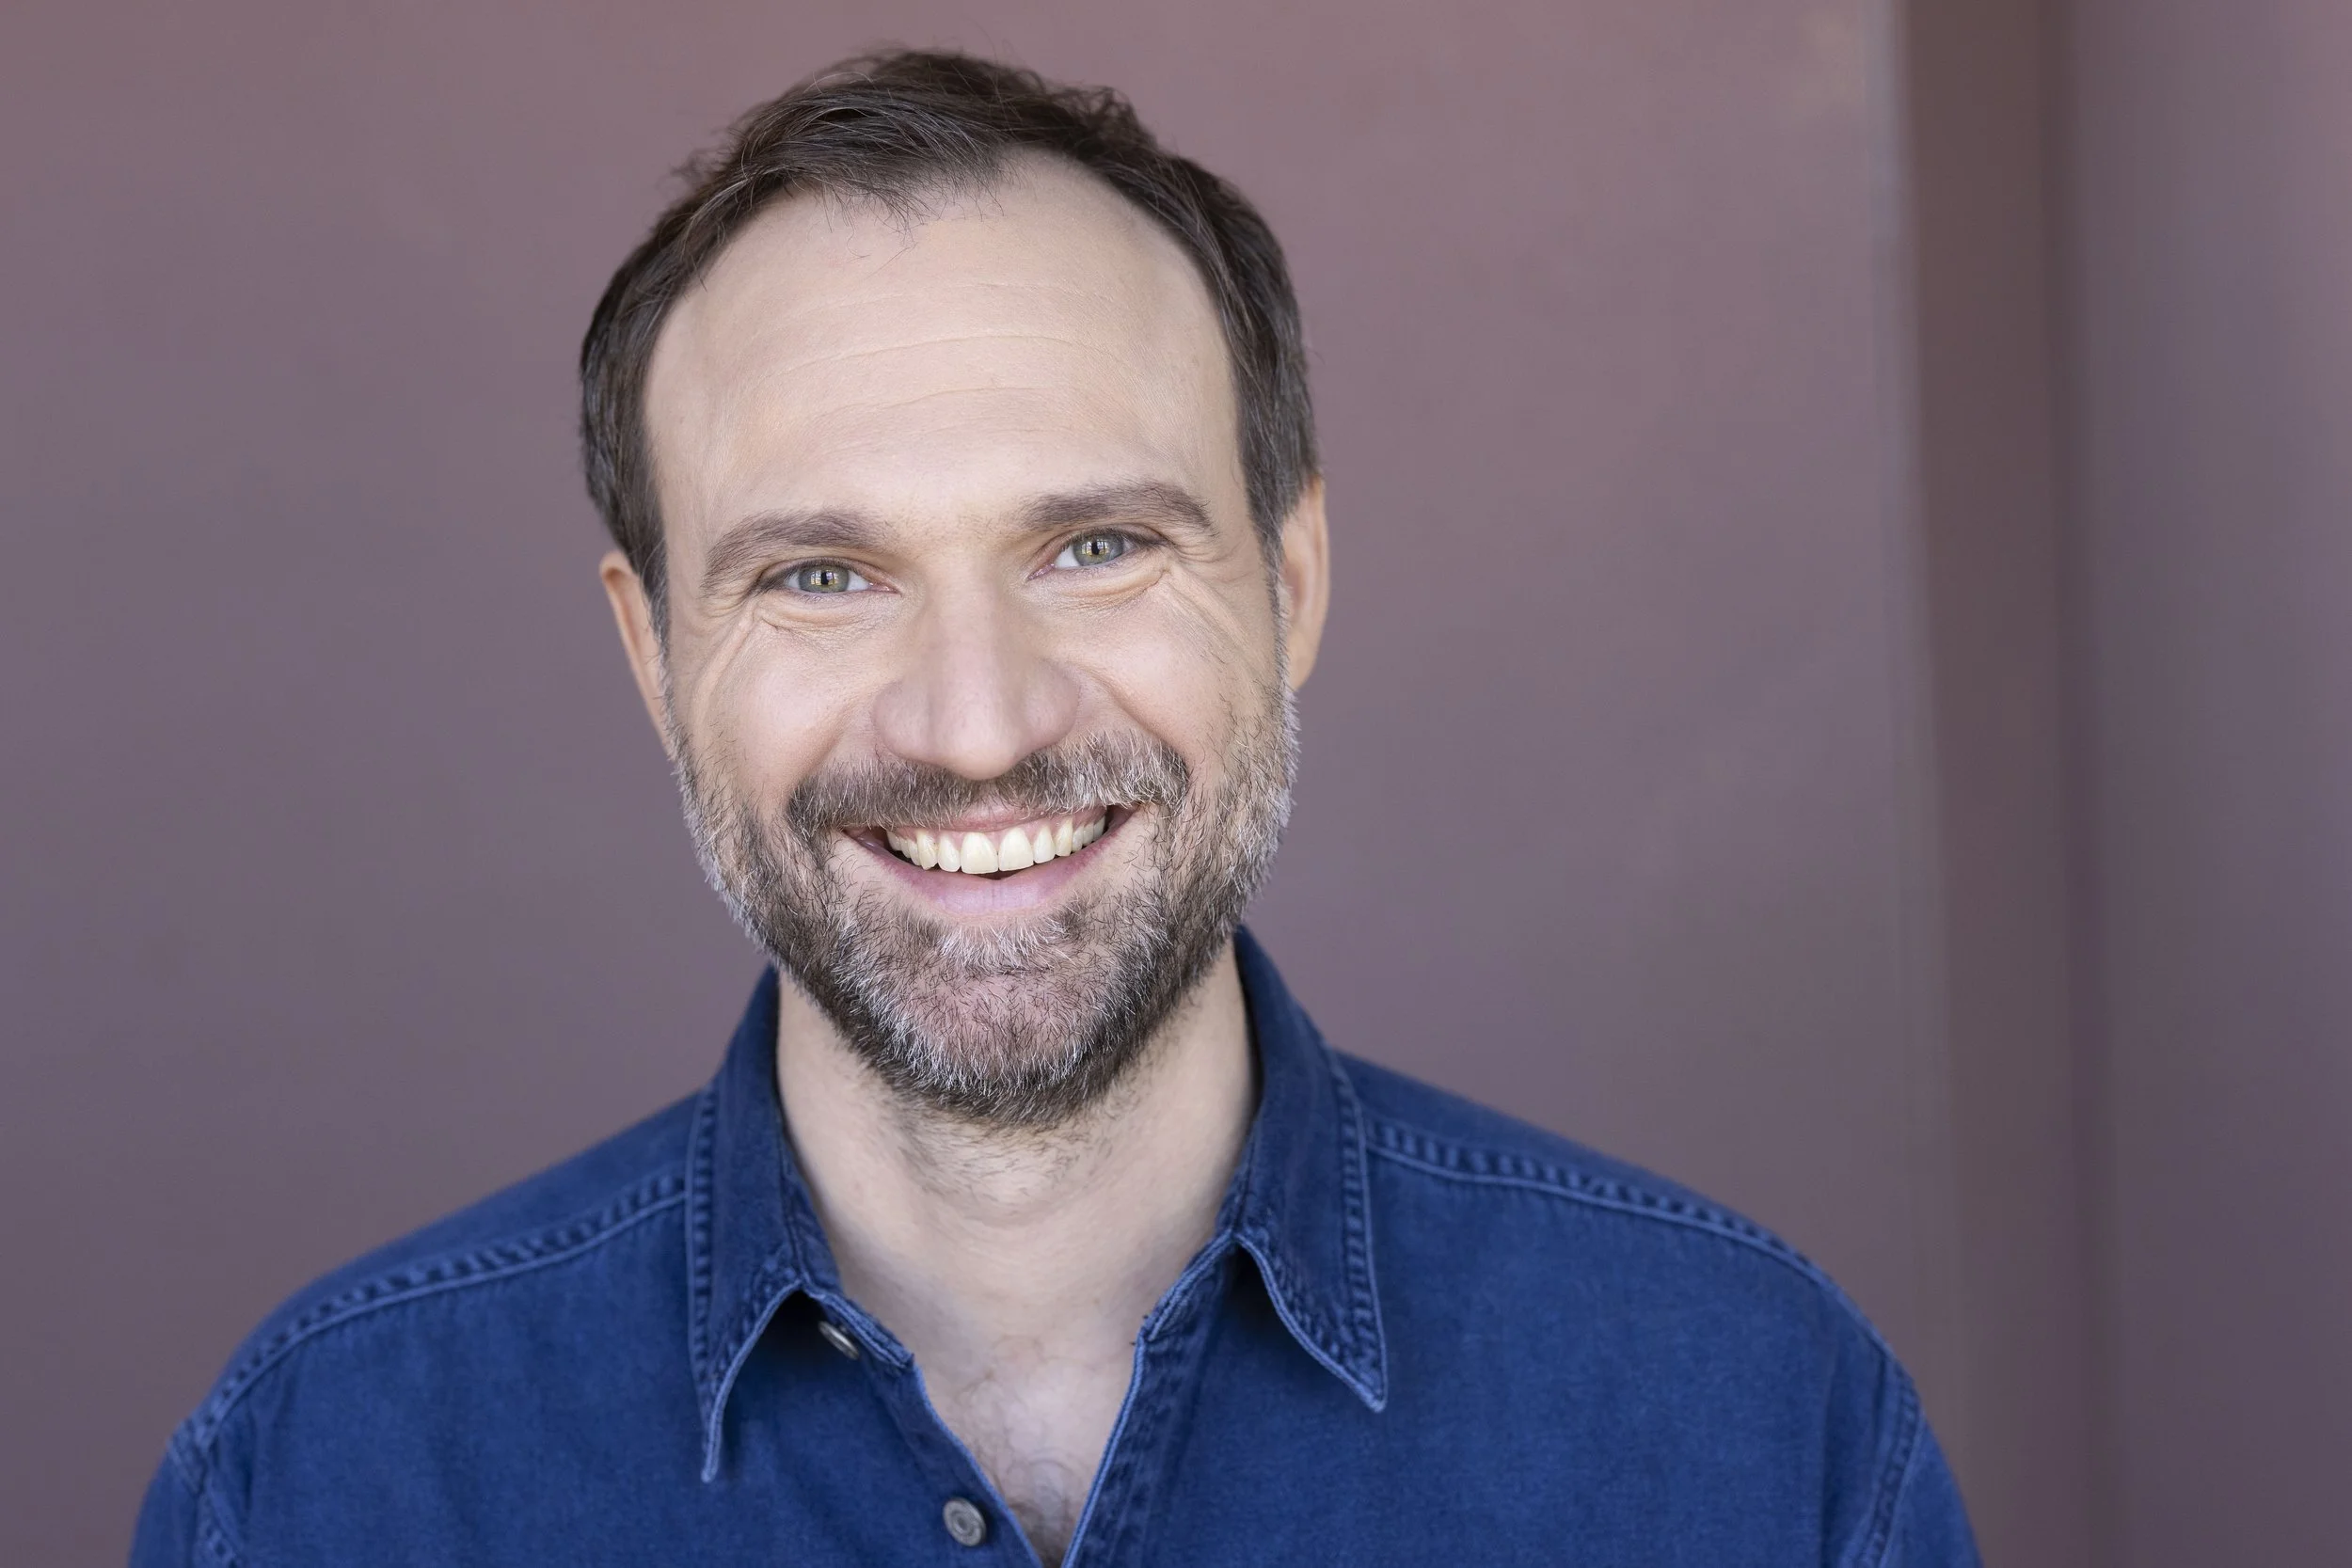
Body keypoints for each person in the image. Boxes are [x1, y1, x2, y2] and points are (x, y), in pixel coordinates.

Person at [133, 49, 1979, 1567]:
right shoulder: (322, 1479)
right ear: (649, 647)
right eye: (819, 575)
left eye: (1093, 546)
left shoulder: (1750, 1428)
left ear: (1291, 577)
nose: (975, 720)